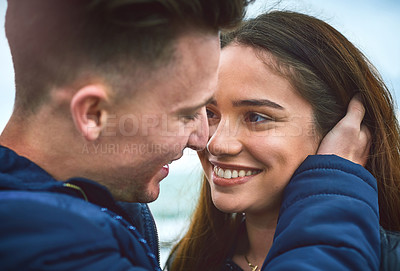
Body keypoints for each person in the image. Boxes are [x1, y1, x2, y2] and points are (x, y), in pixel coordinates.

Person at [0, 1, 378, 270]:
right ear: (93, 114)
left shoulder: (103, 216)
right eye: (187, 113)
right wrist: (335, 190)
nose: (207, 140)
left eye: (258, 116)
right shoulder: (51, 244)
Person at [167, 11, 400, 271]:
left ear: (341, 129)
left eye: (256, 117)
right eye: (210, 113)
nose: (217, 144)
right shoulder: (187, 261)